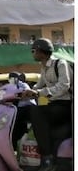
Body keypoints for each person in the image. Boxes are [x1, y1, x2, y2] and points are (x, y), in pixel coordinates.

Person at [21, 38, 72, 171]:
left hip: (66, 105)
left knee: (37, 112)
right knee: (26, 110)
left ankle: (47, 156)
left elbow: (64, 86)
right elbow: (39, 85)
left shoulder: (60, 64)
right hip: (54, 104)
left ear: (41, 51)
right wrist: (25, 92)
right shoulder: (43, 67)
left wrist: (39, 93)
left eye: (33, 51)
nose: (32, 54)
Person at [9, 71, 35, 149]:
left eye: (13, 77)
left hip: (27, 108)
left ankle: (14, 145)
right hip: (17, 108)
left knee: (14, 122)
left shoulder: (22, 85)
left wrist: (21, 94)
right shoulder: (10, 86)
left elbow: (27, 93)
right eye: (10, 77)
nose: (11, 79)